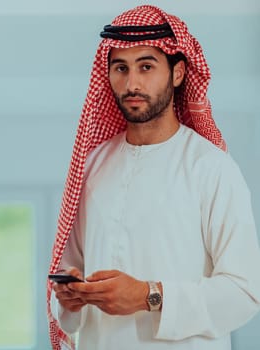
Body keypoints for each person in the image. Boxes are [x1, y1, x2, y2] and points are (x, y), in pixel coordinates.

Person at [46, 5, 260, 350]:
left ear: (177, 73)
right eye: (121, 68)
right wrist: (70, 297)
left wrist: (149, 296)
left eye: (146, 67)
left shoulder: (211, 167)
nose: (132, 83)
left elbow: (245, 292)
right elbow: (70, 280)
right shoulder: (93, 165)